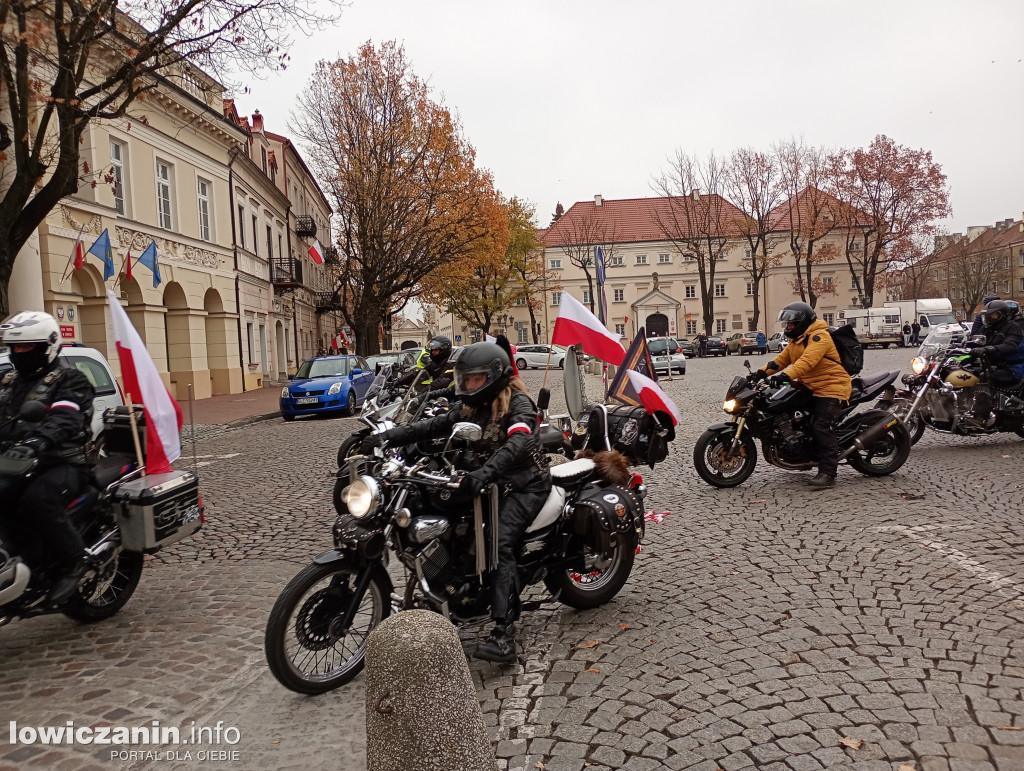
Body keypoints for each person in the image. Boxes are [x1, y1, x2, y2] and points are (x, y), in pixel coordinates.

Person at [361, 342, 551, 663]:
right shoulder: (471, 407)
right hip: (488, 482)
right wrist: (388, 436)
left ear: (494, 376)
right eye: (466, 379)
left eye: (476, 379)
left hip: (524, 484)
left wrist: (484, 474)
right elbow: (434, 425)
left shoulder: (516, 403)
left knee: (500, 542)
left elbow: (518, 441)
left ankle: (504, 634)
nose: (468, 385)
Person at [0, 311, 95, 603]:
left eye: (28, 347)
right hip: (17, 464)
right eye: (16, 348)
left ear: (49, 346)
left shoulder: (71, 380)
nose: (20, 353)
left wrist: (38, 441)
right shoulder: (8, 381)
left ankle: (74, 561)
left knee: (38, 501)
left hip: (64, 462)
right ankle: (25, 558)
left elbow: (65, 419)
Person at [751, 302, 851, 489]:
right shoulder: (797, 339)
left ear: (801, 322)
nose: (787, 327)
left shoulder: (819, 337)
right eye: (787, 325)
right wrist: (760, 373)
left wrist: (784, 376)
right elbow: (781, 360)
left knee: (820, 426)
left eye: (790, 324)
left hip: (831, 387)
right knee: (788, 411)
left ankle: (828, 473)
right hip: (810, 386)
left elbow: (807, 362)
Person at [967, 301, 1024, 422]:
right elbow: (974, 342)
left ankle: (981, 416)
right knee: (967, 373)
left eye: (993, 315)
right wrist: (958, 349)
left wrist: (990, 348)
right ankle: (963, 408)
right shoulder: (986, 328)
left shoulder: (1013, 328)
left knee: (987, 378)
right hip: (992, 365)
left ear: (1002, 315)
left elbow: (1010, 345)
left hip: (1012, 367)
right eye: (986, 315)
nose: (988, 318)